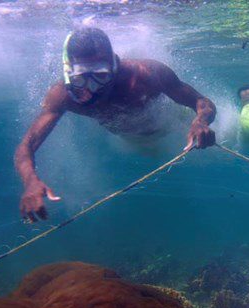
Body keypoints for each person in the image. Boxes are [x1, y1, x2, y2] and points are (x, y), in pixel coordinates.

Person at [15, 27, 217, 222]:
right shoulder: (62, 95)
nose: (92, 88)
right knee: (151, 154)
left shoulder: (146, 74)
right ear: (69, 72)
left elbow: (202, 102)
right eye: (81, 78)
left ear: (114, 64)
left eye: (100, 76)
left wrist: (200, 121)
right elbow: (26, 147)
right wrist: (30, 180)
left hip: (174, 124)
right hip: (134, 141)